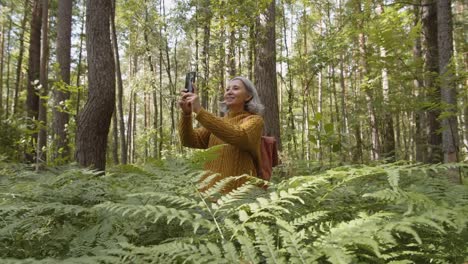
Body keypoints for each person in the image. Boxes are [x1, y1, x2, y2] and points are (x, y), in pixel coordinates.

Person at [178, 76, 265, 194]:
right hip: (209, 194)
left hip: (239, 195)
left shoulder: (255, 121)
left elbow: (239, 136)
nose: (229, 92)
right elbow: (189, 140)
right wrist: (186, 114)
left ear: (248, 96)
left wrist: (200, 110)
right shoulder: (218, 122)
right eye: (227, 89)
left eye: (235, 88)